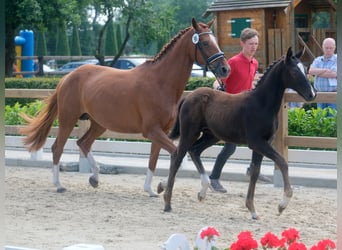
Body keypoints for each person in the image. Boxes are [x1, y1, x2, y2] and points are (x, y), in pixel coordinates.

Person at [210, 27, 271, 193]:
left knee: (260, 140)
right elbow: (218, 81)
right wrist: (217, 91)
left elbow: (249, 84)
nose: (254, 47)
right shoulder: (234, 62)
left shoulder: (255, 63)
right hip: (231, 110)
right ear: (242, 43)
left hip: (247, 110)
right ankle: (214, 178)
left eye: (256, 44)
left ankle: (252, 170)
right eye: (251, 43)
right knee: (230, 147)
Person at [308, 37, 337, 111]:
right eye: (326, 48)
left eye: (331, 48)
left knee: (332, 118)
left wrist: (317, 72)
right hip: (320, 95)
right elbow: (311, 71)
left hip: (333, 95)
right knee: (320, 118)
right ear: (323, 47)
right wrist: (326, 70)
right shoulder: (318, 60)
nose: (328, 50)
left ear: (334, 48)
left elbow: (334, 74)